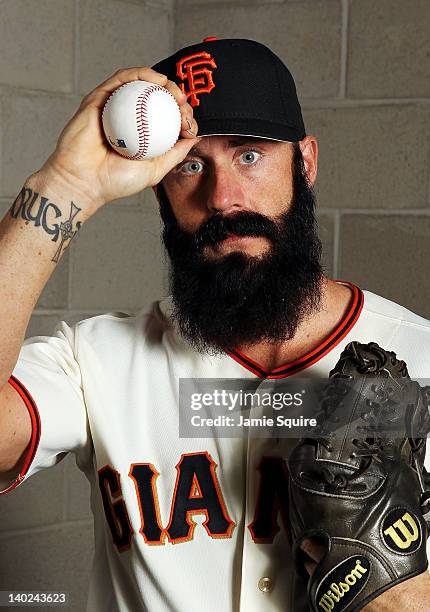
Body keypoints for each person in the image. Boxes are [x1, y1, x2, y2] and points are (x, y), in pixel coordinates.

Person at [0, 37, 429, 611]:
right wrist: (65, 185)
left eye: (250, 155)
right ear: (159, 191)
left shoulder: (421, 359)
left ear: (305, 161)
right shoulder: (96, 360)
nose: (223, 197)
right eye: (191, 165)